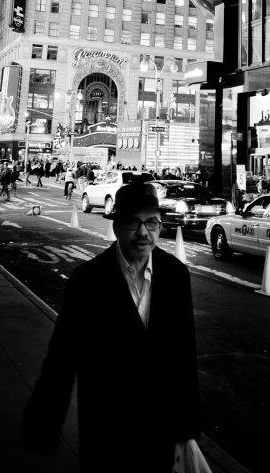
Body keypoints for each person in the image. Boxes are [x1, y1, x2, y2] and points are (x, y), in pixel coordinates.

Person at [22, 182, 200, 471]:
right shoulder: (88, 280)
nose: (144, 233)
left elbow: (184, 353)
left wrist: (188, 426)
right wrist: (44, 421)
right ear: (116, 225)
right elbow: (62, 356)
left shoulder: (176, 275)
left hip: (161, 424)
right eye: (133, 222)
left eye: (152, 223)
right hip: (106, 424)